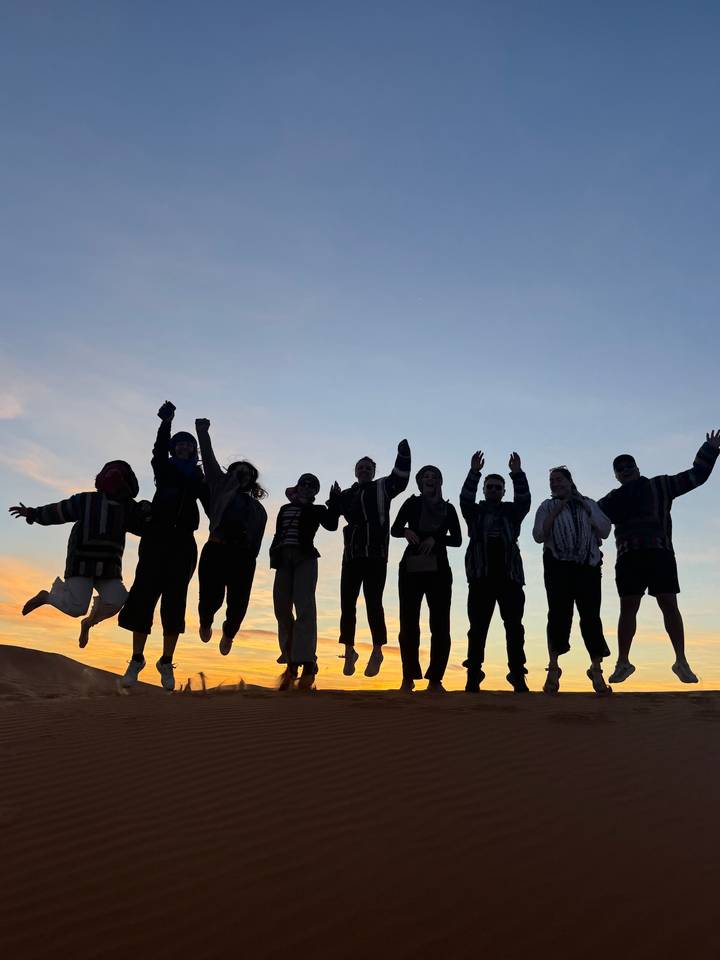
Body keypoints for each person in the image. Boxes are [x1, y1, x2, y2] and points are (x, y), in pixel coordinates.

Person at [598, 430, 720, 685]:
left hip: (660, 553)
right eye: (620, 469)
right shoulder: (611, 499)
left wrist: (710, 449)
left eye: (628, 466)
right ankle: (623, 662)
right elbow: (589, 514)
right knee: (628, 607)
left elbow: (695, 476)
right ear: (616, 475)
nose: (625, 470)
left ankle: (681, 661)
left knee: (668, 603)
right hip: (628, 557)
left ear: (637, 468)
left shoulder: (660, 485)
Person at [118, 402, 209, 692]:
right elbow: (157, 451)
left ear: (194, 452)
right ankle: (136, 660)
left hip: (184, 543)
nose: (184, 448)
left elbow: (211, 505)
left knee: (175, 602)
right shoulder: (164, 470)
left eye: (189, 446)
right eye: (179, 445)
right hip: (156, 539)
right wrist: (166, 422)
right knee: (143, 597)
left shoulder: (198, 478)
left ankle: (166, 661)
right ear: (173, 449)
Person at [9, 461, 149, 648]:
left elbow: (144, 528)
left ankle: (88, 623)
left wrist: (149, 513)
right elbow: (60, 511)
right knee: (76, 608)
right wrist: (33, 514)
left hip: (108, 568)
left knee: (118, 600)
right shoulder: (86, 500)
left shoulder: (129, 508)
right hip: (81, 562)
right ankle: (47, 597)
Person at [329, 439, 411, 678]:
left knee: (374, 603)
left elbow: (401, 479)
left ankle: (377, 651)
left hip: (376, 555)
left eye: (368, 468)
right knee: (347, 604)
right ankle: (350, 650)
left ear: (374, 472)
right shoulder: (346, 494)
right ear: (355, 472)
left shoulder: (382, 487)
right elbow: (331, 524)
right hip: (351, 557)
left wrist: (403, 453)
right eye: (360, 468)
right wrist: (333, 501)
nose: (364, 471)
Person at [533, 467, 612, 695]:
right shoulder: (546, 506)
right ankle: (553, 668)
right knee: (558, 614)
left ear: (570, 481)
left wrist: (585, 506)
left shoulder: (588, 503)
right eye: (551, 480)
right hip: (558, 567)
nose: (555, 483)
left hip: (588, 567)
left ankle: (596, 670)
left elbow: (605, 530)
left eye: (559, 479)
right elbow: (539, 535)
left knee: (591, 617)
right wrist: (558, 508)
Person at [194, 418, 268, 656]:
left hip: (243, 557)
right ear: (231, 473)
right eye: (238, 470)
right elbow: (208, 460)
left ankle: (229, 633)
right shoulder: (220, 487)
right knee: (209, 598)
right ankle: (206, 621)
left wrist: (250, 558)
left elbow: (257, 542)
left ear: (252, 479)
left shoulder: (259, 510)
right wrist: (202, 432)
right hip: (216, 549)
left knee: (238, 604)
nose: (243, 475)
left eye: (247, 473)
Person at [459, 451, 531, 693]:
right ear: (484, 490)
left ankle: (518, 675)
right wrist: (474, 472)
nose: (493, 490)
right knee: (477, 629)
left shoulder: (512, 512)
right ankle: (473, 674)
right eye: (489, 487)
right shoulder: (475, 512)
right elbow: (465, 499)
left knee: (514, 628)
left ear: (503, 491)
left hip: (510, 579)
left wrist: (517, 473)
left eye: (497, 487)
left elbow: (524, 500)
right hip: (481, 578)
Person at [390, 465, 461, 692]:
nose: (430, 480)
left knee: (440, 624)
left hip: (439, 569)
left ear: (440, 481)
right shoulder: (412, 503)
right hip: (411, 567)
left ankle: (435, 679)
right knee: (408, 623)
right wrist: (406, 532)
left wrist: (436, 540)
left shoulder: (448, 509)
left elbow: (458, 540)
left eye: (434, 477)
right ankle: (408, 677)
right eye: (426, 477)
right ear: (420, 482)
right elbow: (395, 529)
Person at [269, 474, 339, 691]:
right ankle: (290, 658)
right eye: (304, 484)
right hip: (283, 559)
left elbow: (332, 525)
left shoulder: (317, 510)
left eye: (312, 486)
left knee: (305, 608)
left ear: (315, 491)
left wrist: (334, 502)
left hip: (305, 558)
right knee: (281, 609)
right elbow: (278, 533)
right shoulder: (284, 509)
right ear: (298, 487)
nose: (308, 487)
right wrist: (274, 554)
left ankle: (307, 663)